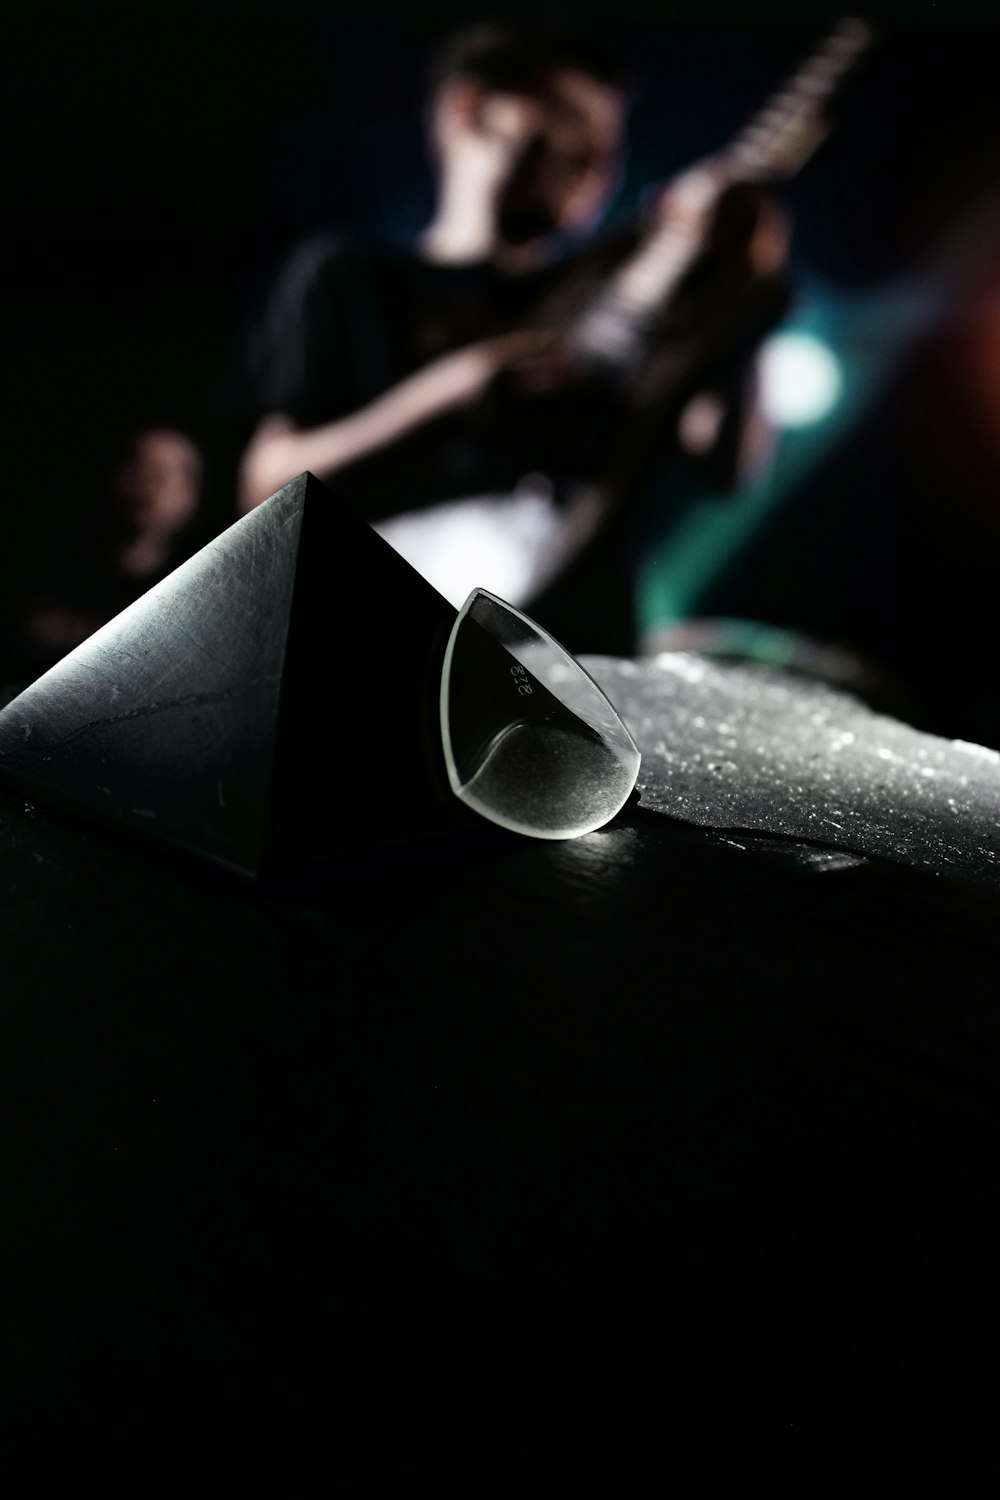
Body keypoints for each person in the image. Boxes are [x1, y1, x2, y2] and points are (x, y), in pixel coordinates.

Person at [237, 23, 789, 651]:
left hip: (585, 674)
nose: (599, 157)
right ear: (469, 108)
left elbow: (724, 464)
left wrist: (745, 301)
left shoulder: (617, 301)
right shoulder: (349, 275)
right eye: (570, 117)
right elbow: (266, 488)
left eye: (614, 138)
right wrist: (449, 393)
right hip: (389, 656)